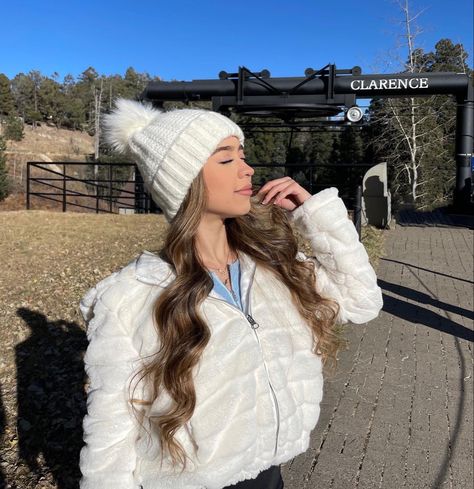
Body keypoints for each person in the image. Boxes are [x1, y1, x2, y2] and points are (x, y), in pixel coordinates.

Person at [78, 98, 383, 489]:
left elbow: (361, 301)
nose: (247, 168)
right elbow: (113, 428)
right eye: (226, 159)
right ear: (184, 182)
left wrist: (316, 213)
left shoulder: (271, 266)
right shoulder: (130, 298)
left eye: (242, 154)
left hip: (269, 472)